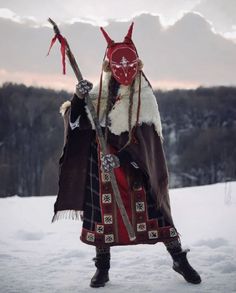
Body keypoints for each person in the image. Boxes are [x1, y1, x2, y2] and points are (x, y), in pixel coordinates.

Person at [52, 23, 201, 288]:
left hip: (134, 167)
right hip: (101, 168)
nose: (124, 72)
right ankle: (103, 268)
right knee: (101, 217)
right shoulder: (96, 95)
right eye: (117, 67)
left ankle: (179, 259)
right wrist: (77, 98)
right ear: (109, 67)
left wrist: (122, 158)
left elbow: (148, 142)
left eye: (129, 67)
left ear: (138, 66)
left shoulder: (144, 96)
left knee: (158, 211)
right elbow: (75, 124)